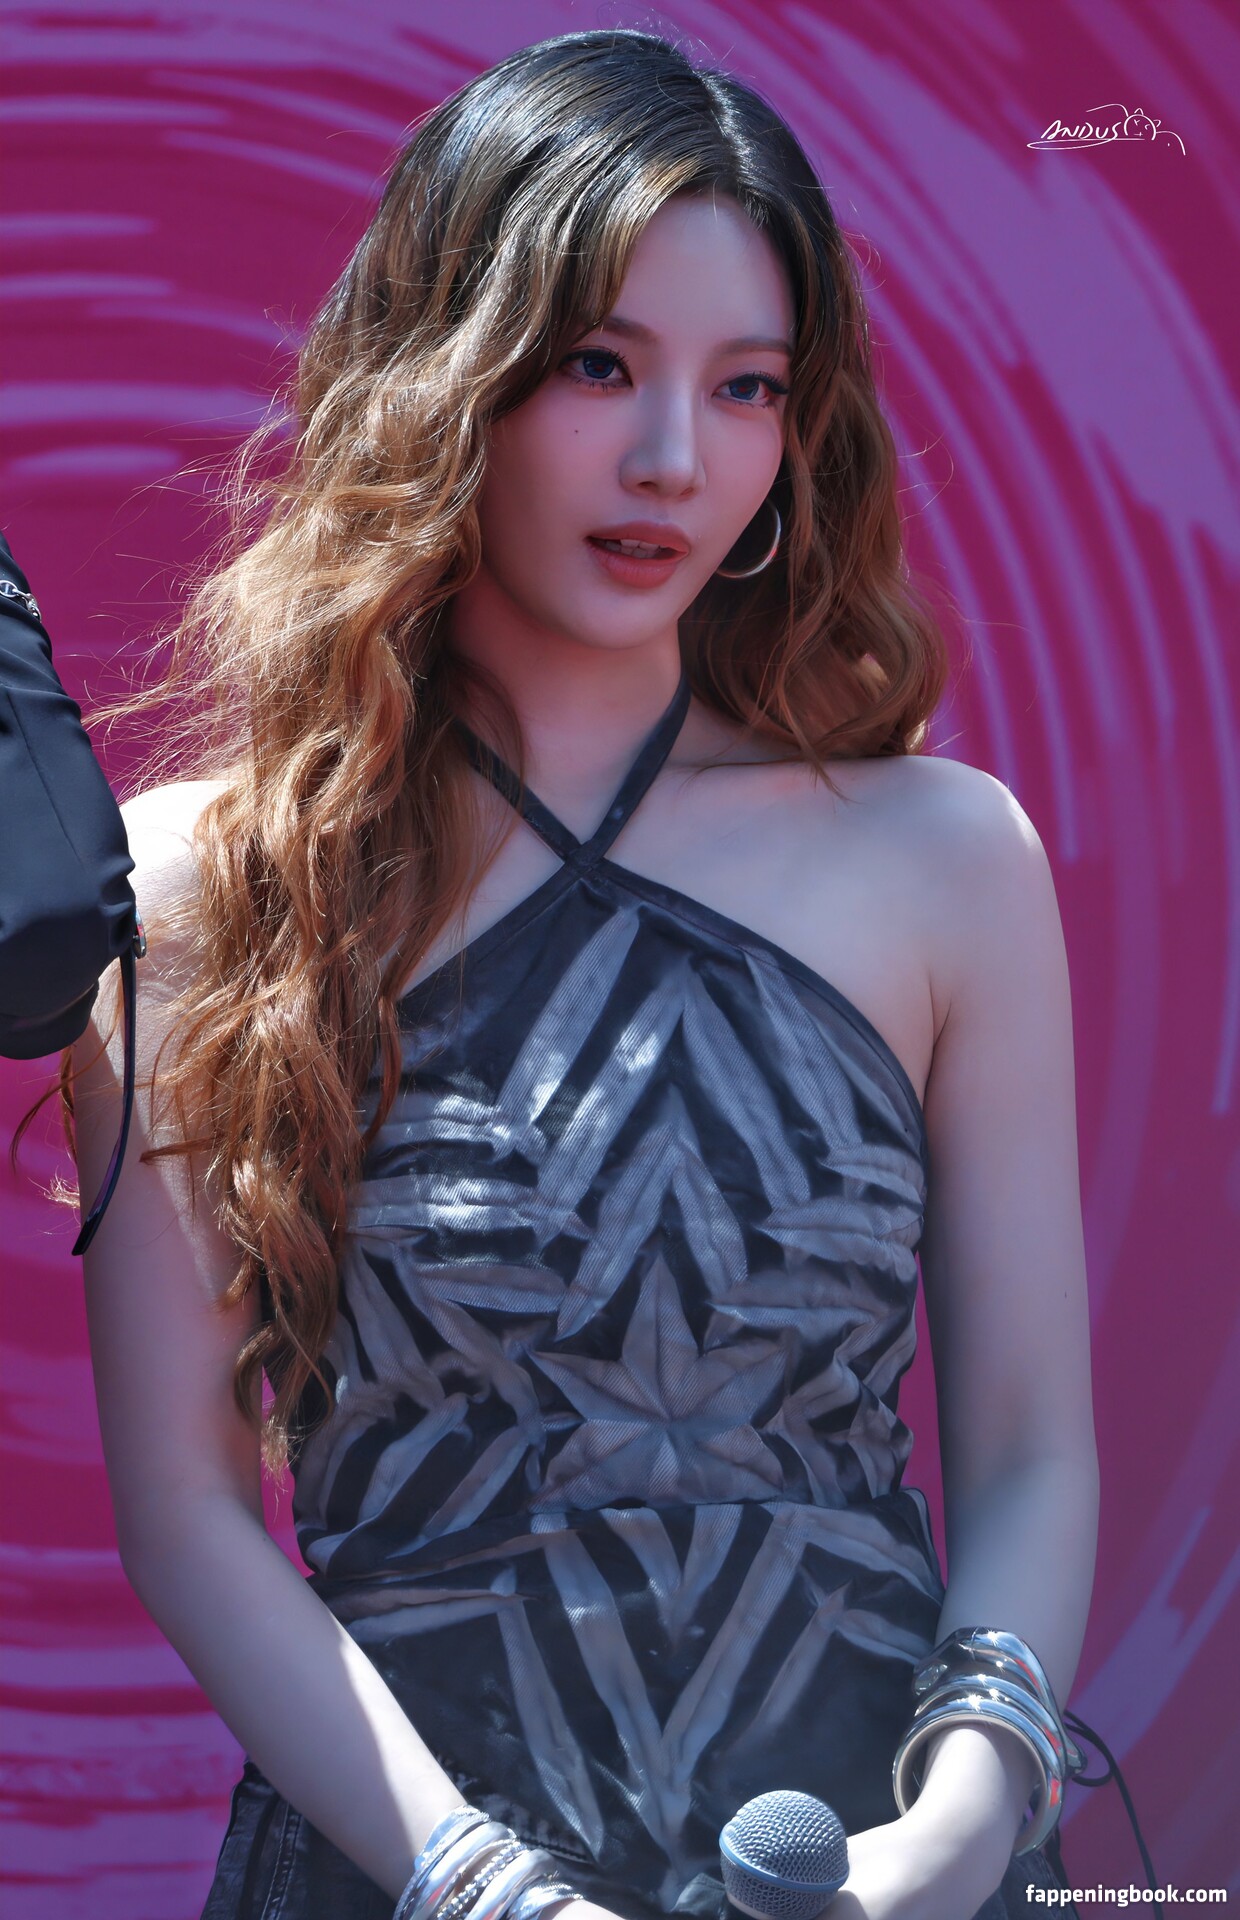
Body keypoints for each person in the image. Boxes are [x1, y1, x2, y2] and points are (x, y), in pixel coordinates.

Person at [65, 30, 1099, 1920]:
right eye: (598, 365)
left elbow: (1031, 1448)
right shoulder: (206, 891)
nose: (673, 458)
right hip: (401, 1875)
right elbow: (190, 1519)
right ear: (443, 376)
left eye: (748, 385)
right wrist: (482, 1888)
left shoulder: (951, 862)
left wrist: (962, 1833)